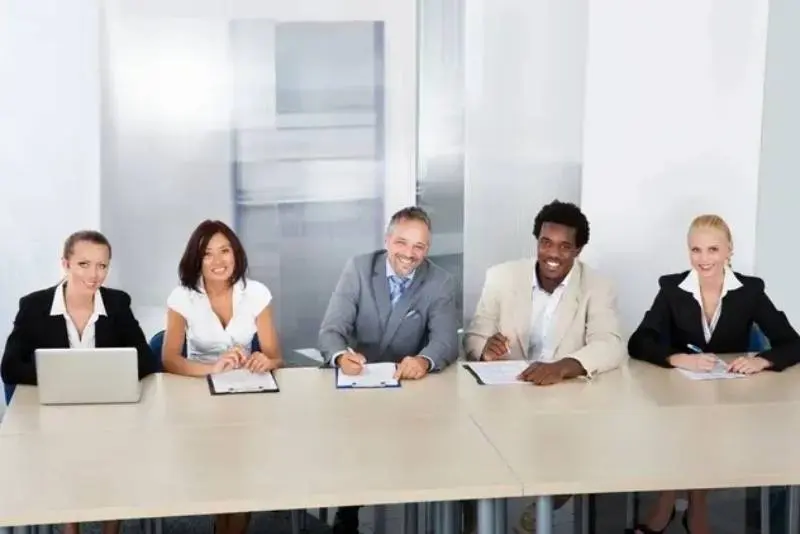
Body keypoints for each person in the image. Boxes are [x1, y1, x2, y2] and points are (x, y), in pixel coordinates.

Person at [627, 214, 800, 534]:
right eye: (696, 250)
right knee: (686, 424)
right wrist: (676, 358)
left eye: (712, 249)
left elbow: (792, 343)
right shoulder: (672, 289)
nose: (703, 259)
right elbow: (639, 341)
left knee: (707, 426)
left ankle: (682, 505)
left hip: (727, 396)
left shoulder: (749, 291)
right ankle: (678, 506)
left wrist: (763, 360)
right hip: (678, 393)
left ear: (728, 251)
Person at [1, 230, 157, 534]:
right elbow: (9, 367)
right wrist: (62, 376)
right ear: (66, 264)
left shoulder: (117, 303)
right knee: (61, 452)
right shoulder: (34, 306)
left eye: (102, 265)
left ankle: (111, 529)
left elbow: (147, 360)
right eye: (84, 264)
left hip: (108, 409)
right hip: (56, 411)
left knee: (119, 451)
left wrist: (104, 375)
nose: (94, 274)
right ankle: (70, 528)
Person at [318, 206, 458, 534]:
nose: (409, 254)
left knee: (427, 446)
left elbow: (446, 341)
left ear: (428, 249)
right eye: (401, 243)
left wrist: (423, 360)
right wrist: (340, 356)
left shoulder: (440, 281)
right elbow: (330, 330)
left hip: (409, 388)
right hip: (357, 384)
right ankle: (347, 511)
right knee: (352, 445)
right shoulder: (358, 268)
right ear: (387, 240)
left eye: (419, 246)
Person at [162, 219, 282, 534]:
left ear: (236, 253)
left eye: (224, 251)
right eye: (207, 254)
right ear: (196, 261)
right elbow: (169, 359)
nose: (219, 261)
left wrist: (263, 360)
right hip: (199, 393)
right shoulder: (182, 297)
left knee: (244, 470)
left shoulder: (256, 293)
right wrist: (211, 369)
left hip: (246, 392)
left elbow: (275, 355)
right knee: (219, 473)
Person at [464, 199, 625, 382]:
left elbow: (609, 345)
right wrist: (485, 351)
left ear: (578, 250)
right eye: (546, 243)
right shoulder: (501, 276)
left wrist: (563, 367)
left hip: (567, 395)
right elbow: (474, 338)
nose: (553, 254)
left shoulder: (598, 286)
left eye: (564, 247)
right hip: (507, 395)